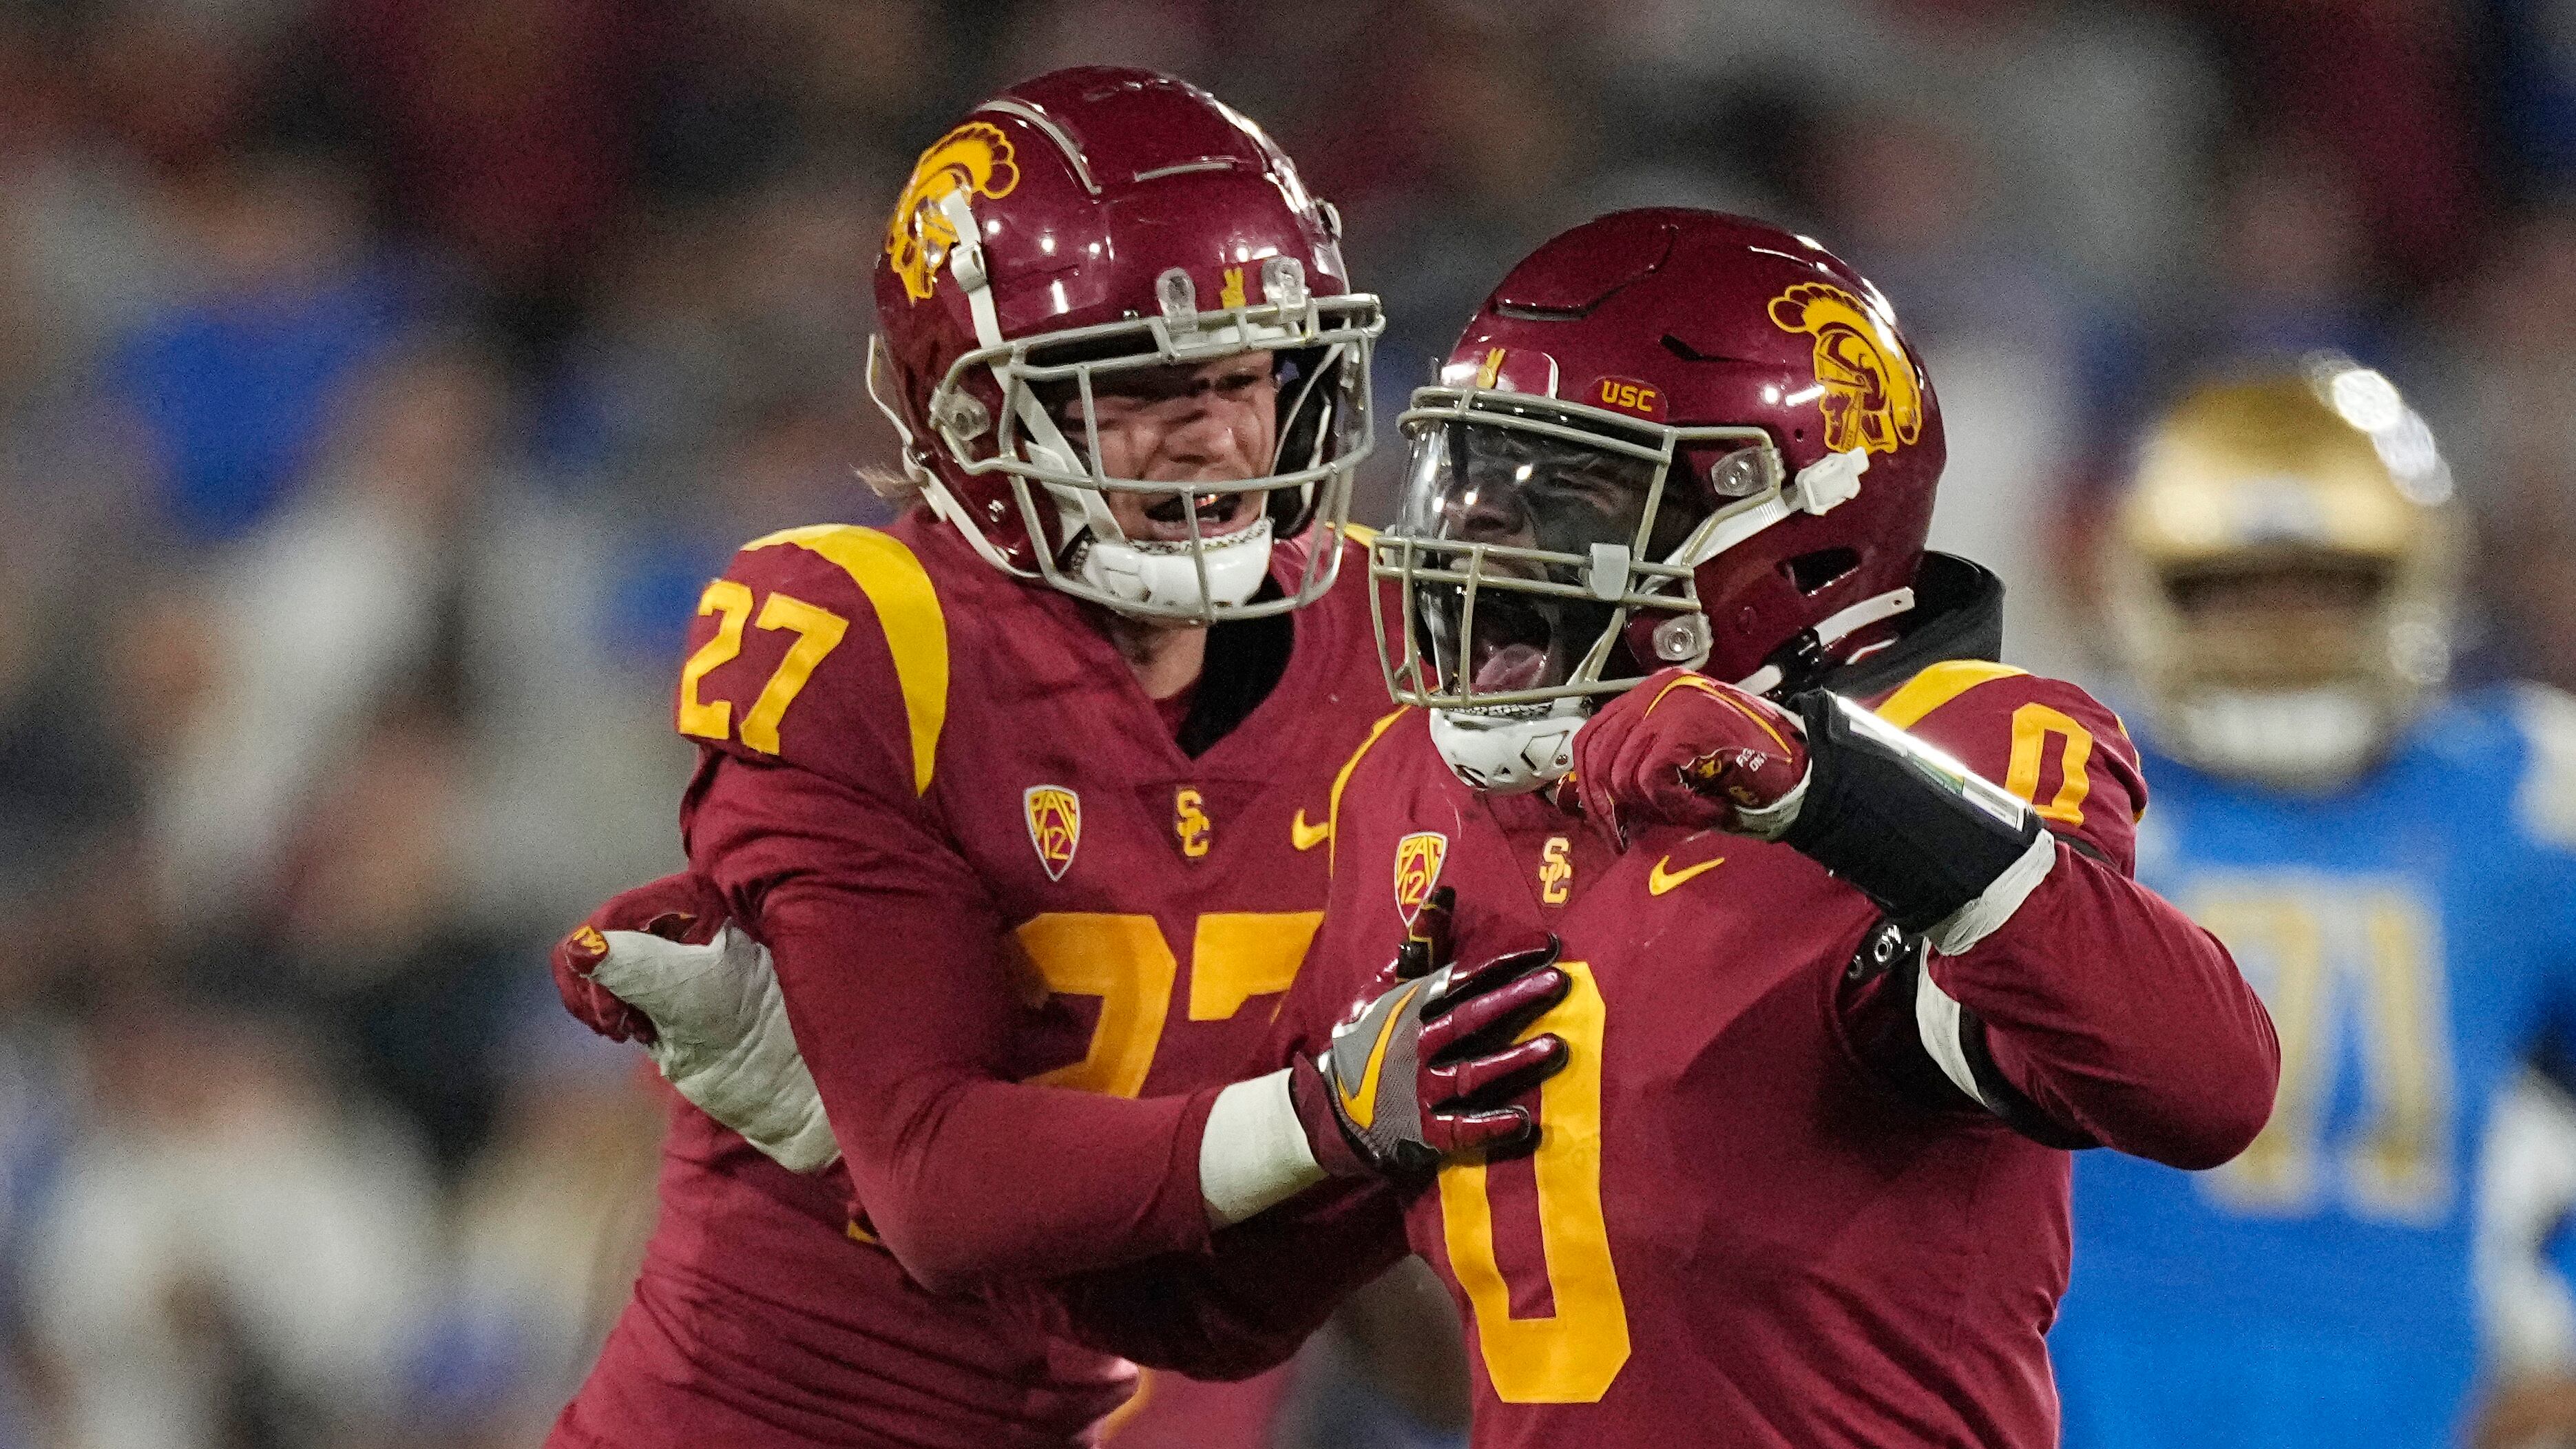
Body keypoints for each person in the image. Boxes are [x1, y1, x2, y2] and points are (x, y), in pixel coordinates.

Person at [568, 209, 2281, 1446]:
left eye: (1572, 503)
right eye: (1483, 484)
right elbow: (1203, 1308)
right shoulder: (1425, 794)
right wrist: (843, 1128)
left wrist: (1816, 783)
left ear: (1789, 526)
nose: (1489, 550)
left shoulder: (1956, 746)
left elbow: (2201, 1077)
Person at [545, 66, 1562, 1449]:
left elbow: (1285, 1281)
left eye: (1244, 374)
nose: (1209, 430)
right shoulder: (867, 632)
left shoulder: (1398, 646)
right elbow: (939, 1188)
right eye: (1137, 386)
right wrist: (1332, 1114)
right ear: (967, 419)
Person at [2043, 363, 2576, 1449]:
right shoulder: (2049, 796)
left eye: (2325, 587)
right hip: (2088, 1394)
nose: (2282, 632)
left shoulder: (2524, 800)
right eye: (2232, 591)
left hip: (2417, 1401)